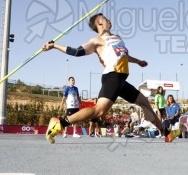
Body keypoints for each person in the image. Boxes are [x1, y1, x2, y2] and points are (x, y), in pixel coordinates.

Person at [43, 13, 175, 143]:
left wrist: (138, 61)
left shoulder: (117, 38)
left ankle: (166, 133)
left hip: (121, 80)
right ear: (99, 23)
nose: (109, 20)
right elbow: (77, 51)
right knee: (99, 111)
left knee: (144, 102)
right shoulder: (97, 41)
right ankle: (60, 123)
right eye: (105, 19)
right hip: (112, 77)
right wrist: (54, 45)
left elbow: (124, 56)